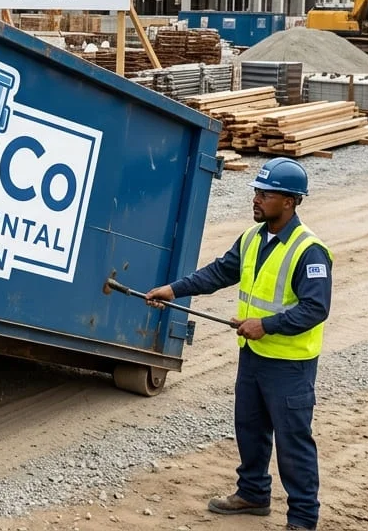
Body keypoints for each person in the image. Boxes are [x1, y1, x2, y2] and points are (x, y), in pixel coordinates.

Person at [145, 157, 331, 531]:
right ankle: (253, 493)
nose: (256, 199)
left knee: (293, 441)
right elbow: (219, 272)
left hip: (290, 365)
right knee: (250, 427)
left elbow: (316, 308)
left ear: (290, 202)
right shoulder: (252, 238)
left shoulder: (309, 250)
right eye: (256, 192)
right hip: (253, 356)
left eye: (265, 194)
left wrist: (266, 325)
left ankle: (303, 518)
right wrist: (174, 290)